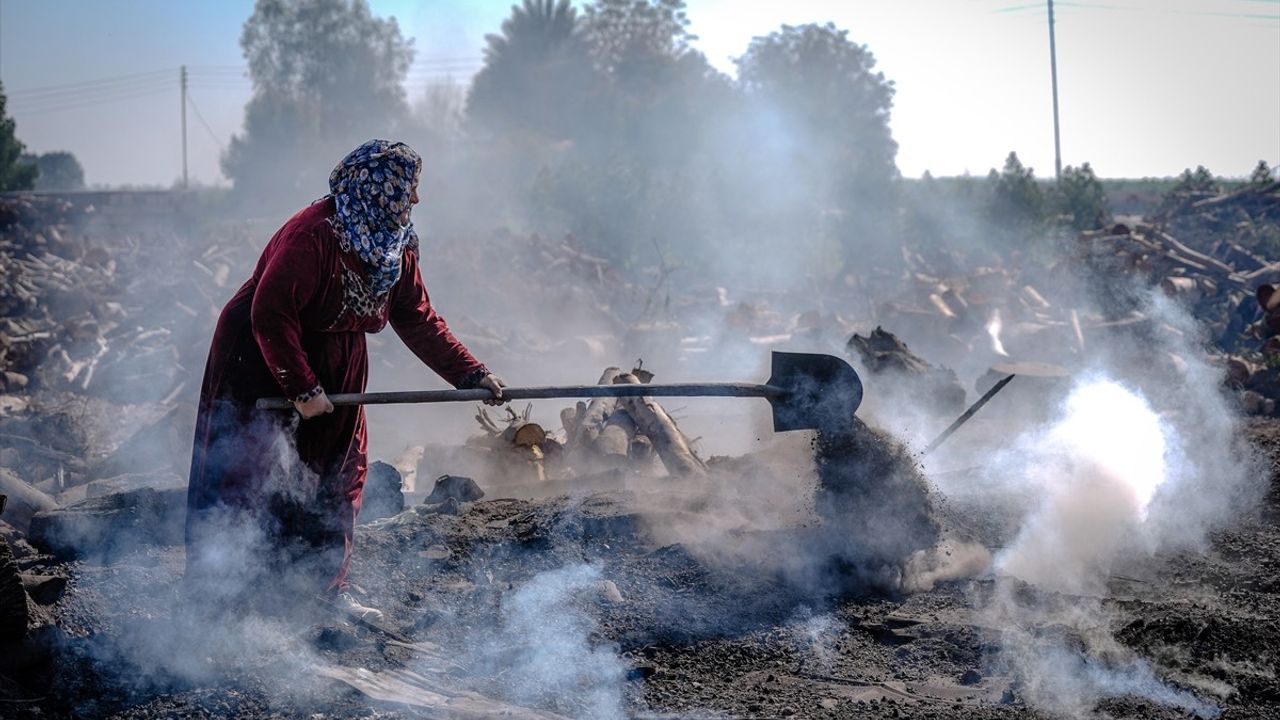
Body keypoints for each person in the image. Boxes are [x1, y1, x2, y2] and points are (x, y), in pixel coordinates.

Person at [184, 139, 504, 621]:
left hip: (339, 355)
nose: (415, 200)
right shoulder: (311, 236)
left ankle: (320, 593)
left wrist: (471, 372)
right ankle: (225, 596)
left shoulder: (396, 244)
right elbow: (269, 314)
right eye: (407, 188)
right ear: (378, 188)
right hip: (260, 357)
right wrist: (302, 388)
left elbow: (415, 316)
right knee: (248, 469)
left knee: (339, 473)